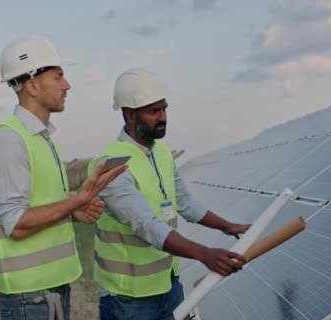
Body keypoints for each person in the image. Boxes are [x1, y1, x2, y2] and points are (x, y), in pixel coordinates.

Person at [0, 35, 126, 320]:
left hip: (50, 287)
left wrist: (74, 210)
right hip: (28, 294)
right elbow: (15, 223)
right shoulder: (9, 139)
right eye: (58, 77)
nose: (67, 85)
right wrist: (76, 200)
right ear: (32, 84)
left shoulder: (43, 139)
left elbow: (41, 204)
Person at [88, 68, 251, 320]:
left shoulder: (162, 153)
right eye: (153, 111)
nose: (162, 116)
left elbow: (185, 203)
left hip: (168, 284)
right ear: (130, 115)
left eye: (164, 109)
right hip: (128, 298)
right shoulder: (110, 164)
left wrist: (228, 227)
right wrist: (204, 254)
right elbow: (146, 225)